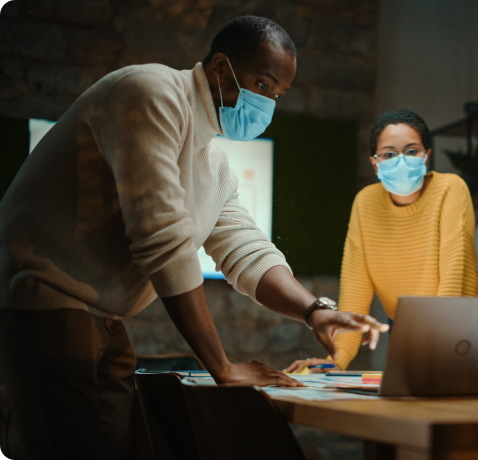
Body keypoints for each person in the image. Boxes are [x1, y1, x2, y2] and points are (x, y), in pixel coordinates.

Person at [0, 16, 388, 460]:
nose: (268, 103)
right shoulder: (151, 91)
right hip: (51, 304)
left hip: (105, 316)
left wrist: (313, 310)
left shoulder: (213, 162)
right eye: (262, 84)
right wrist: (221, 366)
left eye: (278, 94)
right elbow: (162, 236)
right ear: (221, 67)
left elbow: (245, 248)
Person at [286, 110, 478, 373]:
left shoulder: (450, 189)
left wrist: (440, 349)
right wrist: (334, 361)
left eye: (412, 151)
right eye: (389, 154)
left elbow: (454, 280)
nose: (401, 161)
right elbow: (355, 294)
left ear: (427, 155)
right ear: (375, 163)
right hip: (409, 333)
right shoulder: (365, 202)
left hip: (465, 330)